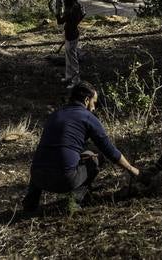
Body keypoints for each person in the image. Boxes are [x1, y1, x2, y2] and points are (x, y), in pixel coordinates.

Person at [22, 81, 139, 213]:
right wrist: (131, 169)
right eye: (94, 103)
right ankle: (74, 201)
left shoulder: (55, 115)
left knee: (46, 156)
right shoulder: (87, 117)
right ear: (86, 100)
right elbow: (109, 150)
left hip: (37, 177)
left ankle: (30, 204)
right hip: (64, 180)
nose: (94, 107)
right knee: (96, 157)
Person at [56, 0, 85, 87]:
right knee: (68, 57)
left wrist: (57, 13)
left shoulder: (70, 9)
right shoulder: (77, 6)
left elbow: (60, 21)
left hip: (71, 35)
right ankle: (69, 76)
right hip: (73, 33)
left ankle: (76, 80)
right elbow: (83, 15)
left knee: (72, 58)